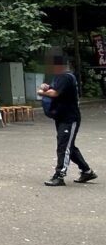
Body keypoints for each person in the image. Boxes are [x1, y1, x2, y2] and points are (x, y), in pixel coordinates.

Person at [38, 55, 96, 187]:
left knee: (64, 146)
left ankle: (59, 175)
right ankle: (87, 171)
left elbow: (55, 93)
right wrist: (47, 87)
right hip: (61, 116)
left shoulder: (66, 76)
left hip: (69, 118)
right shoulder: (60, 77)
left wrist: (42, 92)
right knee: (69, 146)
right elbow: (53, 89)